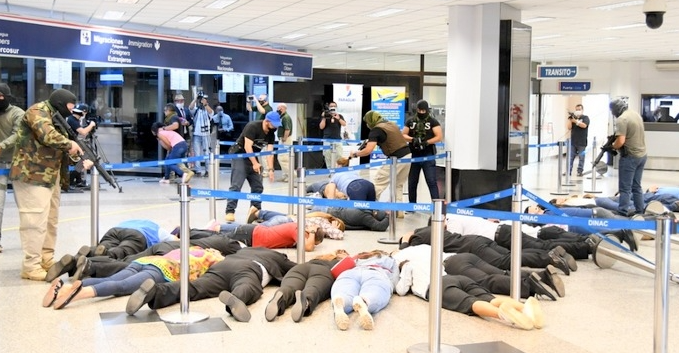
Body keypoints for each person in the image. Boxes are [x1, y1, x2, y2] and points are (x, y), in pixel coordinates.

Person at [10, 88, 93, 281]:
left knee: (50, 221)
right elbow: (47, 135)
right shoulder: (37, 111)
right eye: (68, 109)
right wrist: (70, 145)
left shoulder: (57, 117)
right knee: (34, 222)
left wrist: (78, 158)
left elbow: (63, 147)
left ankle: (46, 258)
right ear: (59, 104)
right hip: (31, 175)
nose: (70, 113)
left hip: (50, 176)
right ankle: (31, 266)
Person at [392, 245, 544, 329]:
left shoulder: (407, 266)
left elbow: (402, 290)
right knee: (489, 298)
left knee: (470, 303)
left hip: (438, 286)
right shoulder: (427, 257)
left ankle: (503, 315)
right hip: (456, 277)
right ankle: (524, 309)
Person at [125, 247, 296, 321]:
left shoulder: (245, 249)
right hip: (249, 268)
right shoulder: (278, 257)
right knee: (248, 285)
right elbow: (298, 271)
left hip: (222, 266)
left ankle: (156, 291)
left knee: (195, 287)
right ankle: (236, 299)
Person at [42, 246, 224, 310]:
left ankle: (64, 288)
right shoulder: (212, 258)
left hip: (145, 261)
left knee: (112, 279)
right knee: (121, 287)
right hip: (162, 271)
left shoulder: (191, 247)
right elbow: (216, 273)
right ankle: (80, 294)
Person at [350, 111, 411, 217]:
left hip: (395, 158)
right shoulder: (391, 124)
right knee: (398, 185)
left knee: (379, 182)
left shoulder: (376, 130)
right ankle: (398, 212)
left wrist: (356, 154)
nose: (367, 125)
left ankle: (369, 211)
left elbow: (368, 150)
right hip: (408, 156)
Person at [224, 111, 280, 222]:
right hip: (240, 155)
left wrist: (271, 169)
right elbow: (247, 146)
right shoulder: (252, 126)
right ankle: (230, 211)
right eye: (274, 123)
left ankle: (255, 211)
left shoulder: (271, 132)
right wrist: (255, 163)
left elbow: (270, 152)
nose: (276, 126)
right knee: (236, 185)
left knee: (258, 186)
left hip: (253, 157)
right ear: (267, 121)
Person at [264, 250, 348, 322]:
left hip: (299, 268)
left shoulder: (318, 257)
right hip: (322, 271)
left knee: (289, 287)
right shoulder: (340, 262)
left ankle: (281, 296)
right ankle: (306, 301)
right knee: (313, 288)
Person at [330, 250, 399, 330]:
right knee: (375, 292)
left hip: (351, 272)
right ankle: (364, 301)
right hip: (376, 273)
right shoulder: (390, 260)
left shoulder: (359, 257)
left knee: (344, 290)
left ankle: (342, 300)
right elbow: (395, 280)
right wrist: (388, 288)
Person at [609, 98, 647, 216]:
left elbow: (620, 141)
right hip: (642, 155)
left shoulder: (622, 119)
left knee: (625, 187)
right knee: (637, 186)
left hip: (630, 157)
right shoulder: (635, 114)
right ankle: (640, 211)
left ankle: (622, 212)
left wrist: (612, 146)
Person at [402, 99, 443, 203]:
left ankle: (436, 207)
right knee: (412, 182)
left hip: (428, 155)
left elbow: (439, 137)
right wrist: (413, 139)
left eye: (423, 111)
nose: (421, 113)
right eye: (419, 110)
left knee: (431, 182)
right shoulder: (410, 121)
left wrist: (427, 142)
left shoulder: (433, 121)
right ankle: (411, 206)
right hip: (414, 155)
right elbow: (403, 135)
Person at [0, 83, 23, 253]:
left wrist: (3, 145)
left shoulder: (17, 113)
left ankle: (31, 242)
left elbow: (18, 134)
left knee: (25, 205)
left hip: (18, 165)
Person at [217, 222, 325, 252]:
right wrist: (312, 232)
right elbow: (308, 247)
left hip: (251, 235)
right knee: (214, 240)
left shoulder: (297, 231)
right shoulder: (297, 229)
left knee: (216, 239)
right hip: (249, 235)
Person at [152, 118, 194, 184]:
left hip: (177, 146)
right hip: (183, 144)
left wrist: (160, 141)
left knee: (170, 162)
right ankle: (166, 178)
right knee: (173, 161)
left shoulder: (160, 133)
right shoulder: (167, 130)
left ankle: (183, 174)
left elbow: (168, 144)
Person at [246, 94, 273, 175]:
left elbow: (262, 111)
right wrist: (248, 101)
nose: (259, 100)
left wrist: (256, 101)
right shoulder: (259, 106)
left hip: (265, 133)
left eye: (261, 99)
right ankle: (262, 168)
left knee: (264, 154)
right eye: (259, 99)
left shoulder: (268, 108)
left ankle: (267, 170)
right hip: (257, 132)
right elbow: (249, 109)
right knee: (259, 154)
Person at [188, 93, 214, 177]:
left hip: (206, 134)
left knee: (207, 152)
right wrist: (196, 98)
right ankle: (198, 170)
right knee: (197, 153)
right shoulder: (196, 110)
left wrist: (205, 104)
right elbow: (190, 107)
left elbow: (211, 112)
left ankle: (207, 170)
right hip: (197, 134)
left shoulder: (207, 110)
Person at [319, 101, 346, 169]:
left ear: (336, 108)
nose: (333, 108)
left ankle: (338, 170)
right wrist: (324, 117)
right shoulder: (326, 116)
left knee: (339, 155)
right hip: (327, 139)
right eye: (331, 106)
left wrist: (338, 118)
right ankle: (330, 171)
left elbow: (344, 124)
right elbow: (321, 127)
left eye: (334, 106)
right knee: (327, 156)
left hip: (337, 139)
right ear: (329, 107)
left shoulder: (339, 116)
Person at [566, 104, 590, 177]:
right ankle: (568, 171)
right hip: (573, 141)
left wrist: (576, 121)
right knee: (571, 157)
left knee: (581, 157)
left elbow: (584, 125)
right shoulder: (573, 118)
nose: (578, 111)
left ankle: (580, 171)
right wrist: (571, 120)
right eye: (576, 109)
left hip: (582, 142)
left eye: (579, 109)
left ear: (582, 110)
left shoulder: (585, 118)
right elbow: (569, 127)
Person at [275, 103, 293, 182]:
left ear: (283, 108)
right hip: (282, 139)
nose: (277, 109)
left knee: (283, 158)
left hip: (286, 139)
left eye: (279, 108)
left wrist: (284, 138)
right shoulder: (281, 117)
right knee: (282, 158)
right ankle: (285, 175)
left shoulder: (286, 117)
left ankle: (291, 174)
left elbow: (287, 129)